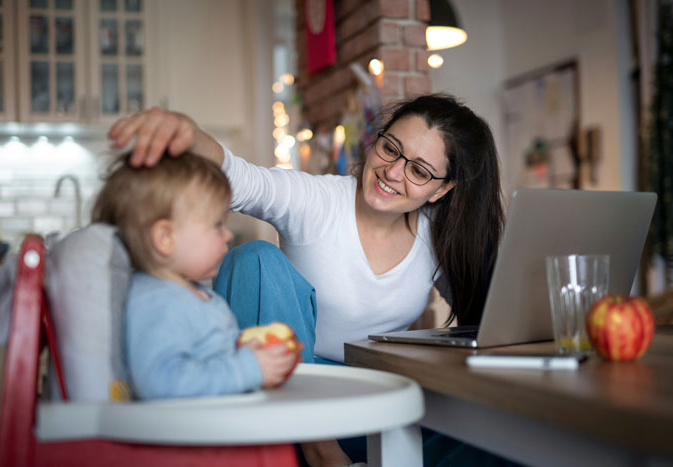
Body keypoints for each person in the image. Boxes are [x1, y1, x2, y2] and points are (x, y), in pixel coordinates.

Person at [108, 93, 505, 466]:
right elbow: (242, 179)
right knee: (256, 258)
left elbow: (491, 319)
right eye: (389, 148)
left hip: (365, 399)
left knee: (495, 437)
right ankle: (320, 452)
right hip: (275, 385)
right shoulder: (318, 201)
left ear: (442, 189)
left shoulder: (441, 239)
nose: (392, 172)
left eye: (419, 170)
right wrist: (190, 135)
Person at [92, 152, 298, 399]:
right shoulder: (156, 302)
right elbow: (160, 384)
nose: (228, 235)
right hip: (189, 433)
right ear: (166, 238)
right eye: (217, 225)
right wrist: (248, 367)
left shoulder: (192, 294)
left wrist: (249, 351)